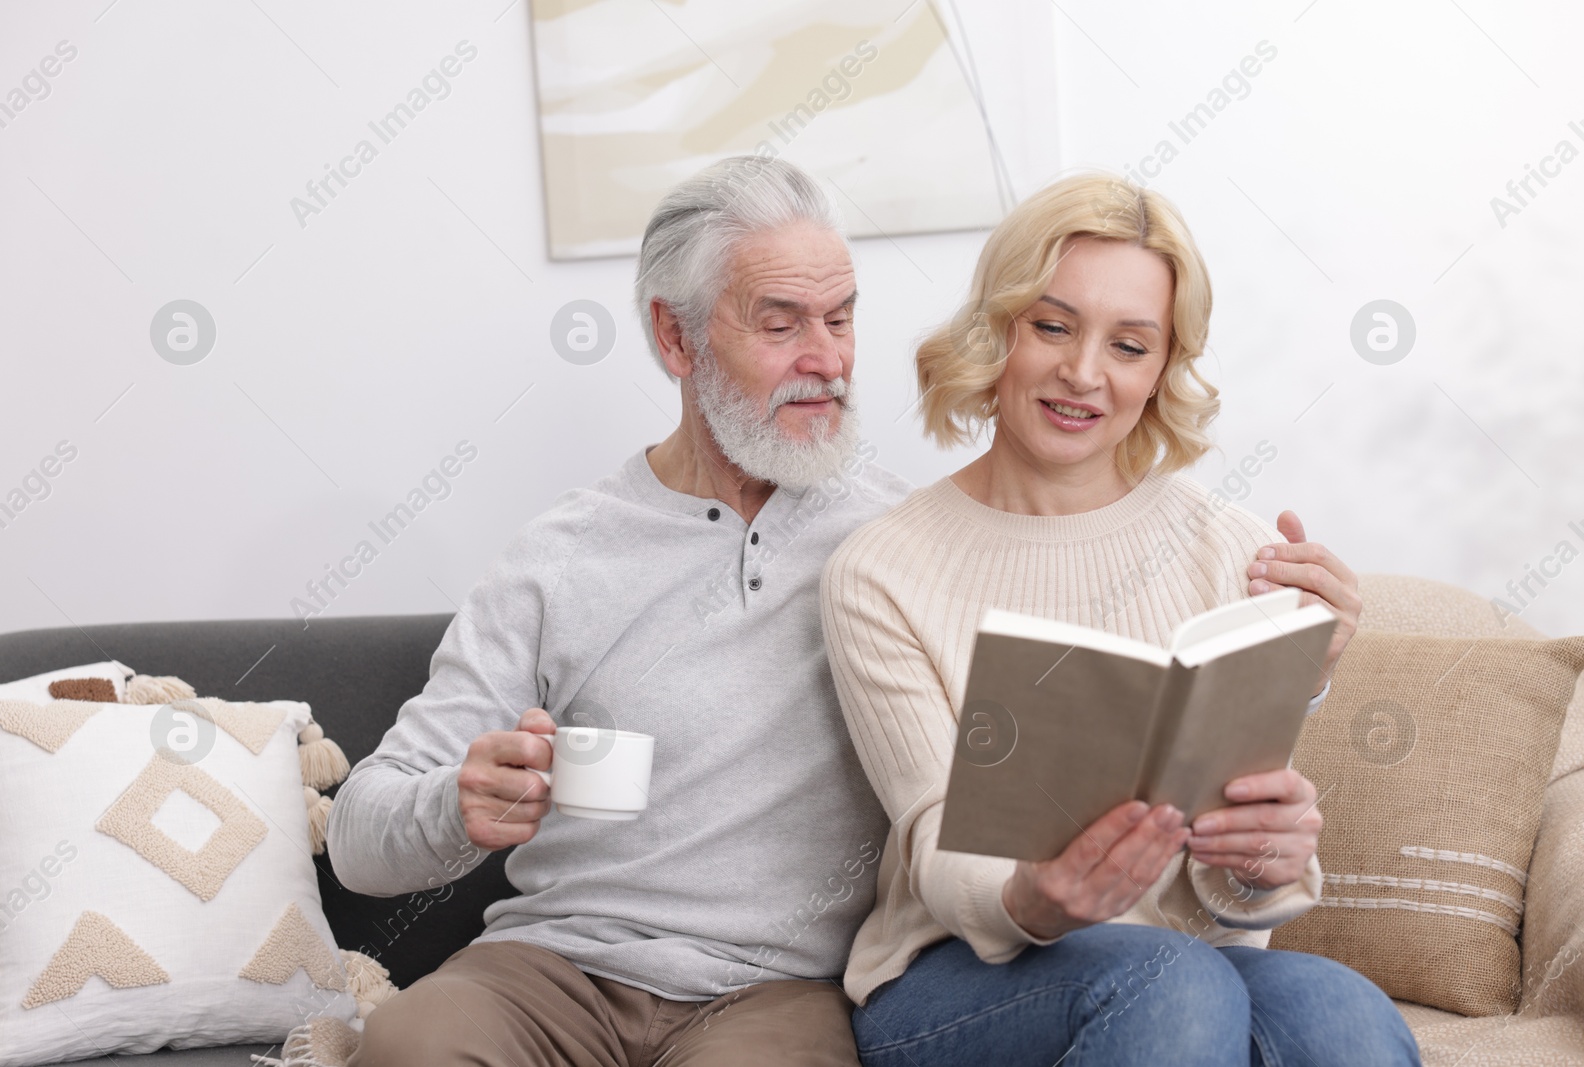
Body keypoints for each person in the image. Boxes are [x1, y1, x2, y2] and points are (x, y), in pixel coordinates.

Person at [819, 173, 1420, 1065]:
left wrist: (1264, 857)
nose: (1084, 372)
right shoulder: (881, 569)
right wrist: (1037, 898)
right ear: (998, 331)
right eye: (1052, 326)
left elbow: (1230, 881)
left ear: (1162, 369)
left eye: (1130, 345)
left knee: (1344, 1014)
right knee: (1168, 980)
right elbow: (935, 829)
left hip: (1189, 967)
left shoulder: (1231, 548)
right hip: (955, 979)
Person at [328, 155, 909, 1066]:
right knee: (411, 1046)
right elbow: (359, 836)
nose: (827, 360)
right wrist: (459, 803)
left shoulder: (896, 538)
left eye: (840, 320)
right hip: (551, 969)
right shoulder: (560, 555)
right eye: (781, 323)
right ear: (674, 339)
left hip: (773, 987)